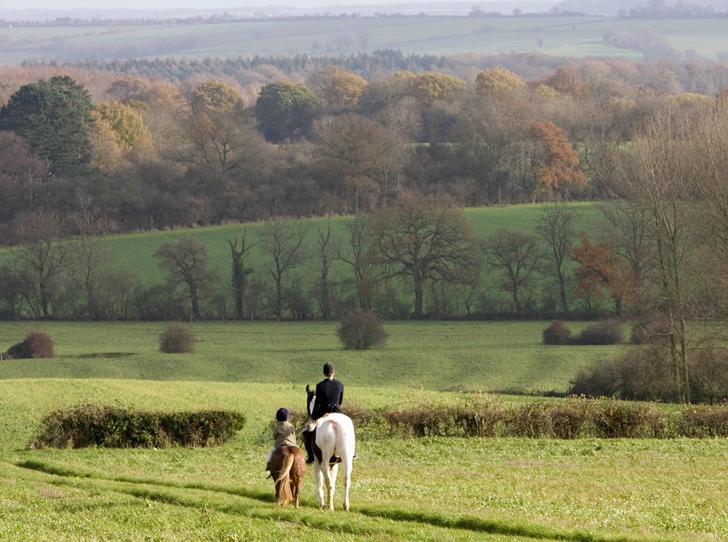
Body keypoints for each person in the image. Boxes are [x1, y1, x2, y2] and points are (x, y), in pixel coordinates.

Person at [303, 362, 355, 464]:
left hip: (323, 414)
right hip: (337, 412)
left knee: (305, 431)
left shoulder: (320, 386)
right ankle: (353, 452)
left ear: (324, 373)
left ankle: (311, 455)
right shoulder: (340, 385)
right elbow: (340, 401)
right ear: (333, 372)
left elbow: (317, 404)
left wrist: (312, 418)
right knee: (349, 427)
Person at [266, 407, 296, 471]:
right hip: (291, 445)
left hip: (280, 445)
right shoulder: (291, 426)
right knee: (298, 450)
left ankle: (268, 464)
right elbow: (294, 435)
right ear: (288, 417)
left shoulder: (277, 426)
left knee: (271, 450)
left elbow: (274, 436)